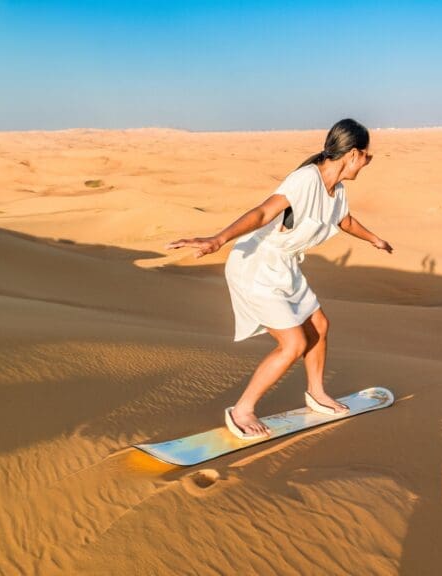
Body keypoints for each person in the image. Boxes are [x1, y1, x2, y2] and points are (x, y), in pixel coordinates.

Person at [165, 119, 393, 439]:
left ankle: (316, 392)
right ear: (353, 154)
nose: (368, 163)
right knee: (293, 344)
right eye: (368, 156)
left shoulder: (336, 190)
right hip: (256, 266)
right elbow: (262, 213)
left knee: (320, 325)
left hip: (284, 266)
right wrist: (217, 240)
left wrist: (374, 239)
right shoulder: (305, 180)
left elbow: (345, 220)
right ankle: (242, 409)